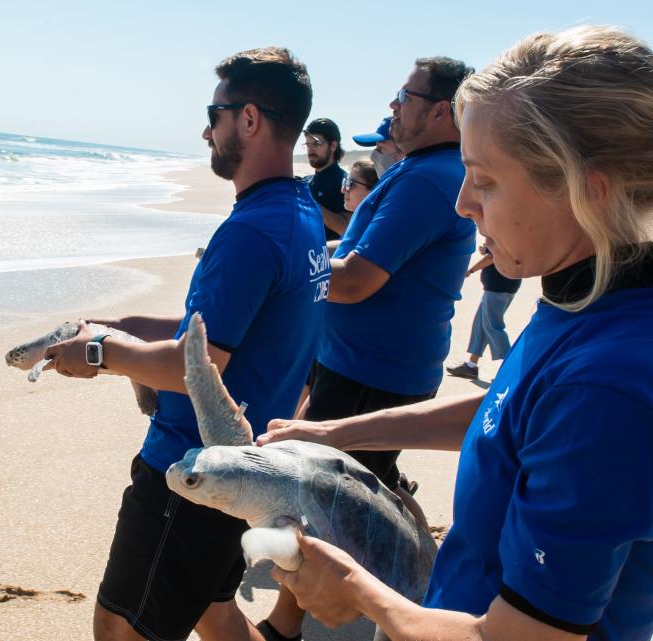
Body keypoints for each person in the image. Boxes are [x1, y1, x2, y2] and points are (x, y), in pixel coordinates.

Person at [260, 25, 653, 641]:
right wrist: (330, 432)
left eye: (486, 180)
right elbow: (511, 414)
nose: (465, 204)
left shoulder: (607, 381)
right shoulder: (587, 297)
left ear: (589, 190)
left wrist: (359, 593)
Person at [44, 47, 330, 641]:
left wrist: (100, 354)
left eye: (215, 114)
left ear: (248, 119)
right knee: (214, 611)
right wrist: (122, 324)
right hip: (246, 465)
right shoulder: (300, 214)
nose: (206, 130)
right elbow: (223, 329)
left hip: (189, 468)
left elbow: (196, 368)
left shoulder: (250, 231)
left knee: (121, 627)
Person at [259, 56, 476, 641]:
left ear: (440, 110)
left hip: (371, 370)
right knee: (353, 485)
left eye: (404, 95)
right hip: (368, 364)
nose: (392, 105)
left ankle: (289, 623)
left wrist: (284, 270)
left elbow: (356, 280)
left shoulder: (431, 180)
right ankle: (397, 585)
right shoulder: (424, 170)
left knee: (318, 498)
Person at [446, 241, 521, 379]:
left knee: (493, 326)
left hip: (499, 287)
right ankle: (471, 366)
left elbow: (493, 257)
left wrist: (470, 271)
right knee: (481, 325)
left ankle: (511, 371)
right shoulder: (509, 230)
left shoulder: (502, 228)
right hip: (502, 285)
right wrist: (487, 249)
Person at [302, 118, 350, 239]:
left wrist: (310, 204)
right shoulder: (305, 182)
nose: (310, 150)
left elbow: (345, 228)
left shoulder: (345, 182)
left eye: (317, 143)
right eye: (308, 144)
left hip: (328, 255)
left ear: (333, 145)